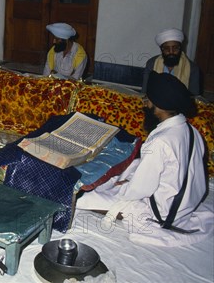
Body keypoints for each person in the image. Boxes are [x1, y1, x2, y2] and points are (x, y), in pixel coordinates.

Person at [76, 72, 207, 243]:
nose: (145, 103)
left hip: (162, 213)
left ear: (159, 105)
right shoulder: (191, 131)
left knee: (83, 198)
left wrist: (121, 186)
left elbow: (140, 190)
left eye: (148, 100)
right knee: (132, 166)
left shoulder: (161, 141)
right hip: (186, 203)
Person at [142, 28, 201, 96]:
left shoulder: (192, 69)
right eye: (167, 48)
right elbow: (145, 92)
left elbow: (194, 98)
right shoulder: (152, 64)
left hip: (181, 105)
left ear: (180, 48)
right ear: (162, 49)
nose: (171, 52)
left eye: (175, 48)